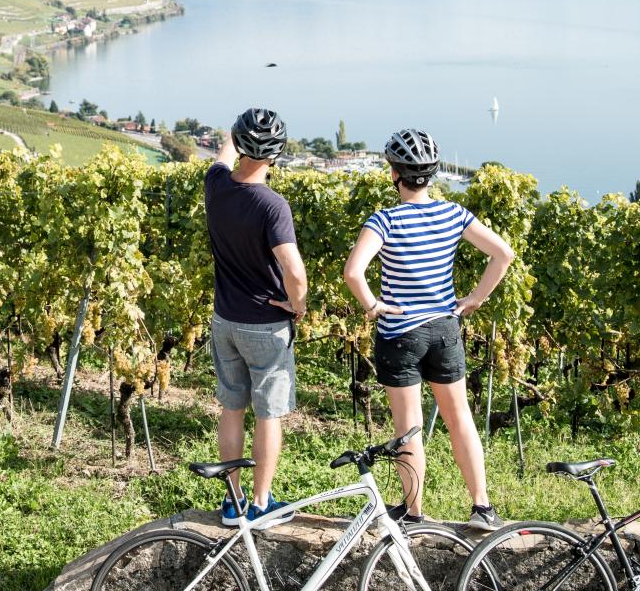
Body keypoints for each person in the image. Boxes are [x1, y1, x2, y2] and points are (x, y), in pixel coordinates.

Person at [342, 129, 515, 530]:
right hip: (444, 330)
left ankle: (414, 513)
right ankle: (482, 507)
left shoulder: (383, 220)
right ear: (432, 174)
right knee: (460, 418)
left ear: (394, 174)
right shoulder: (454, 214)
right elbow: (502, 254)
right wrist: (475, 298)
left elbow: (354, 272)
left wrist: (372, 306)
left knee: (408, 428)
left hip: (400, 334)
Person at [204, 107, 308, 527]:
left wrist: (236, 131)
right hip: (265, 325)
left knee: (232, 409)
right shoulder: (272, 205)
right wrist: (297, 305)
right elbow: (294, 270)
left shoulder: (214, 185)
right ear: (277, 154)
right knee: (268, 413)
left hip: (224, 320)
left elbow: (222, 154)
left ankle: (233, 504)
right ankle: (262, 504)